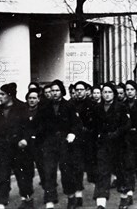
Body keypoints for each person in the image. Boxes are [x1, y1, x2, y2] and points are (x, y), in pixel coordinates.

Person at [36, 79, 81, 209]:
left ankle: (71, 196)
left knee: (66, 171)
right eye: (52, 91)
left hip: (65, 143)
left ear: (62, 91)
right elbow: (37, 124)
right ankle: (50, 201)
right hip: (49, 143)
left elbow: (76, 123)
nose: (54, 93)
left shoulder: (69, 106)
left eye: (57, 91)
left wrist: (72, 133)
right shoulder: (44, 107)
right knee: (49, 172)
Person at [90, 82, 130, 209]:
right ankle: (101, 203)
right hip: (103, 144)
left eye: (109, 92)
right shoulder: (97, 108)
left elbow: (126, 125)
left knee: (120, 171)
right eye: (104, 92)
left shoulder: (121, 107)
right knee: (102, 172)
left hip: (119, 144)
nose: (107, 95)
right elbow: (94, 126)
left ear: (114, 94)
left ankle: (124, 197)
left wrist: (117, 133)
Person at [0, 83, 32, 209]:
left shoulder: (21, 107)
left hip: (18, 147)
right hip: (3, 147)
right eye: (0, 94)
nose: (0, 97)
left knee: (21, 175)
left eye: (2, 94)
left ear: (10, 95)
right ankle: (0, 203)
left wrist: (25, 139)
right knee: (2, 176)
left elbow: (27, 127)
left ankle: (26, 199)